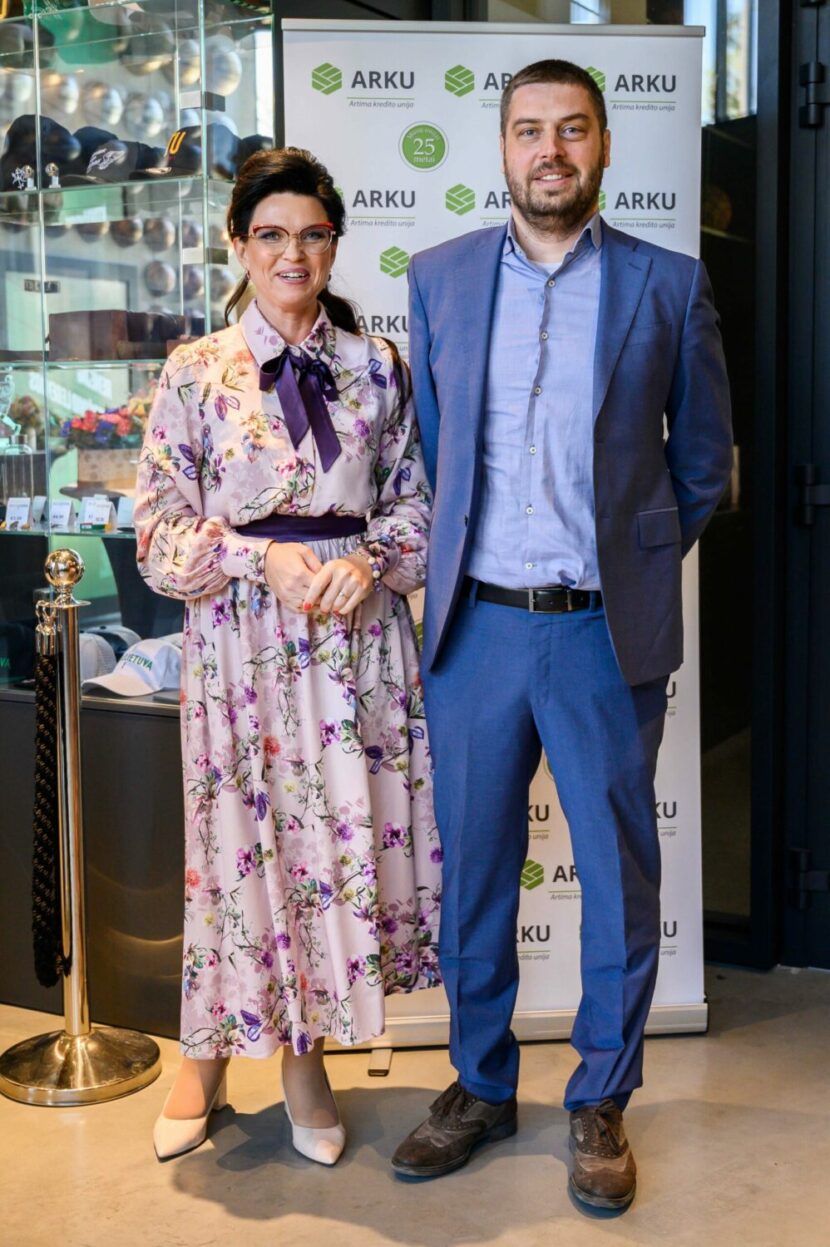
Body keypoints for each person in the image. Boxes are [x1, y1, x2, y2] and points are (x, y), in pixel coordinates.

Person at [392, 59, 732, 1211]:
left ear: (600, 145)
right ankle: (480, 1084)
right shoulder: (436, 277)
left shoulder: (666, 285)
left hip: (600, 634)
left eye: (571, 128)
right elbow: (433, 445)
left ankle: (600, 1096)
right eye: (528, 130)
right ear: (501, 148)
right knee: (475, 871)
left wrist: (626, 563)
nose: (550, 150)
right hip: (475, 630)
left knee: (618, 877)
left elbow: (701, 465)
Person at [134, 147, 441, 1165]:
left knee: (325, 857)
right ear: (238, 244)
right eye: (270, 233)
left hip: (354, 646)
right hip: (242, 646)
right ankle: (206, 1054)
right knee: (237, 847)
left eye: (311, 233)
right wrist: (252, 555)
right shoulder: (195, 370)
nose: (292, 253)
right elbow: (156, 534)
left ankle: (305, 1058)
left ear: (334, 244)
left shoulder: (378, 366)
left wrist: (370, 559)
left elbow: (416, 506)